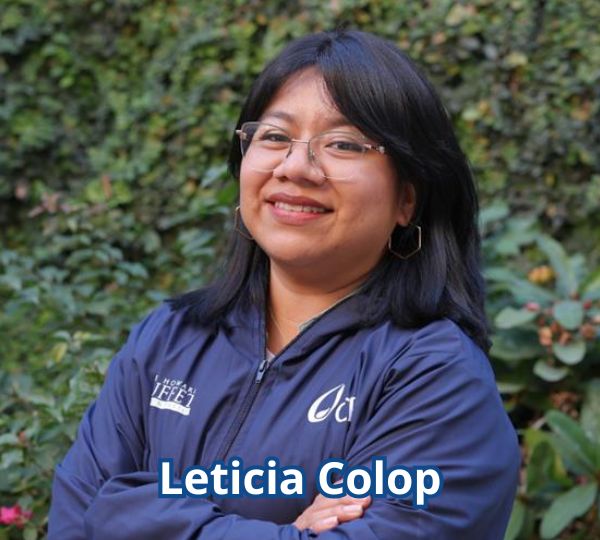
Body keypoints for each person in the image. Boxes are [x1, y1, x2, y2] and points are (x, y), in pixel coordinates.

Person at [48, 29, 520, 539]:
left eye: (342, 144)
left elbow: (100, 511)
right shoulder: (166, 340)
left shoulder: (434, 376)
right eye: (274, 137)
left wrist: (128, 514)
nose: (295, 167)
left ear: (407, 199)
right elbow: (74, 524)